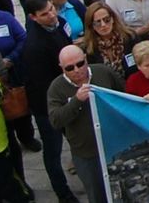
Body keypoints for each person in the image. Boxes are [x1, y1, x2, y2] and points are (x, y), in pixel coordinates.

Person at [48, 46, 121, 203]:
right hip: (86, 153)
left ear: (86, 59)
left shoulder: (103, 72)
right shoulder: (56, 88)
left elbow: (123, 95)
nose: (77, 70)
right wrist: (76, 101)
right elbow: (55, 120)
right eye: (70, 68)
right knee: (97, 194)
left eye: (80, 64)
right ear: (61, 68)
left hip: (114, 146)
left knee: (122, 190)